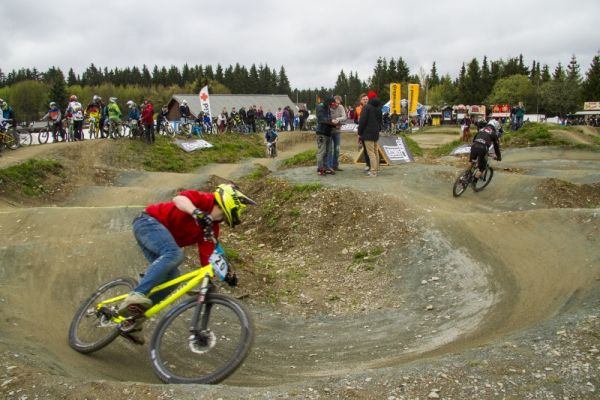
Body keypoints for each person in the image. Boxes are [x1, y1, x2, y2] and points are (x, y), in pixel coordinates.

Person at [118, 184, 257, 343]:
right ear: (223, 204)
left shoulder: (212, 228)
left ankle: (132, 321)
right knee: (175, 254)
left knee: (173, 278)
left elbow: (208, 258)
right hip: (148, 222)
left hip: (161, 243)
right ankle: (137, 296)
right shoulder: (205, 200)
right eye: (223, 216)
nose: (222, 220)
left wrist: (225, 275)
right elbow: (179, 199)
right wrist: (196, 212)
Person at [357, 91, 382, 177]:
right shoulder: (379, 108)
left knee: (370, 153)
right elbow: (380, 121)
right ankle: (377, 169)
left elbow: (362, 121)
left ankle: (373, 171)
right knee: (375, 151)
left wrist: (359, 132)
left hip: (367, 133)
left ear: (370, 98)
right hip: (376, 133)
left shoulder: (367, 107)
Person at [315, 96, 337, 176]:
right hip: (321, 132)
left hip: (328, 132)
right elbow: (321, 119)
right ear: (328, 102)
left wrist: (335, 123)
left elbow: (329, 118)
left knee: (327, 151)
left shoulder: (327, 108)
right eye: (331, 104)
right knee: (322, 151)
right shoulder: (320, 107)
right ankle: (320, 168)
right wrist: (331, 122)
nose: (331, 106)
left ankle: (325, 167)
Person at [328, 95, 346, 171]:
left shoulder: (341, 107)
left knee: (337, 149)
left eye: (339, 103)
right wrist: (331, 121)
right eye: (336, 103)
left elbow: (344, 117)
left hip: (337, 131)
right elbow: (325, 117)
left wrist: (338, 120)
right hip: (329, 131)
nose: (337, 105)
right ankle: (330, 166)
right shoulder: (328, 107)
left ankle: (335, 165)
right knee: (330, 149)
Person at [354, 93, 371, 173]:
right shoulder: (357, 109)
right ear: (361, 100)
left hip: (370, 131)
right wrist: (360, 121)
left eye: (367, 99)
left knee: (371, 149)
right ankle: (368, 165)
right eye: (364, 99)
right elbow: (355, 120)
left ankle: (373, 166)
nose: (365, 101)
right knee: (365, 149)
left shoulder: (371, 108)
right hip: (362, 131)